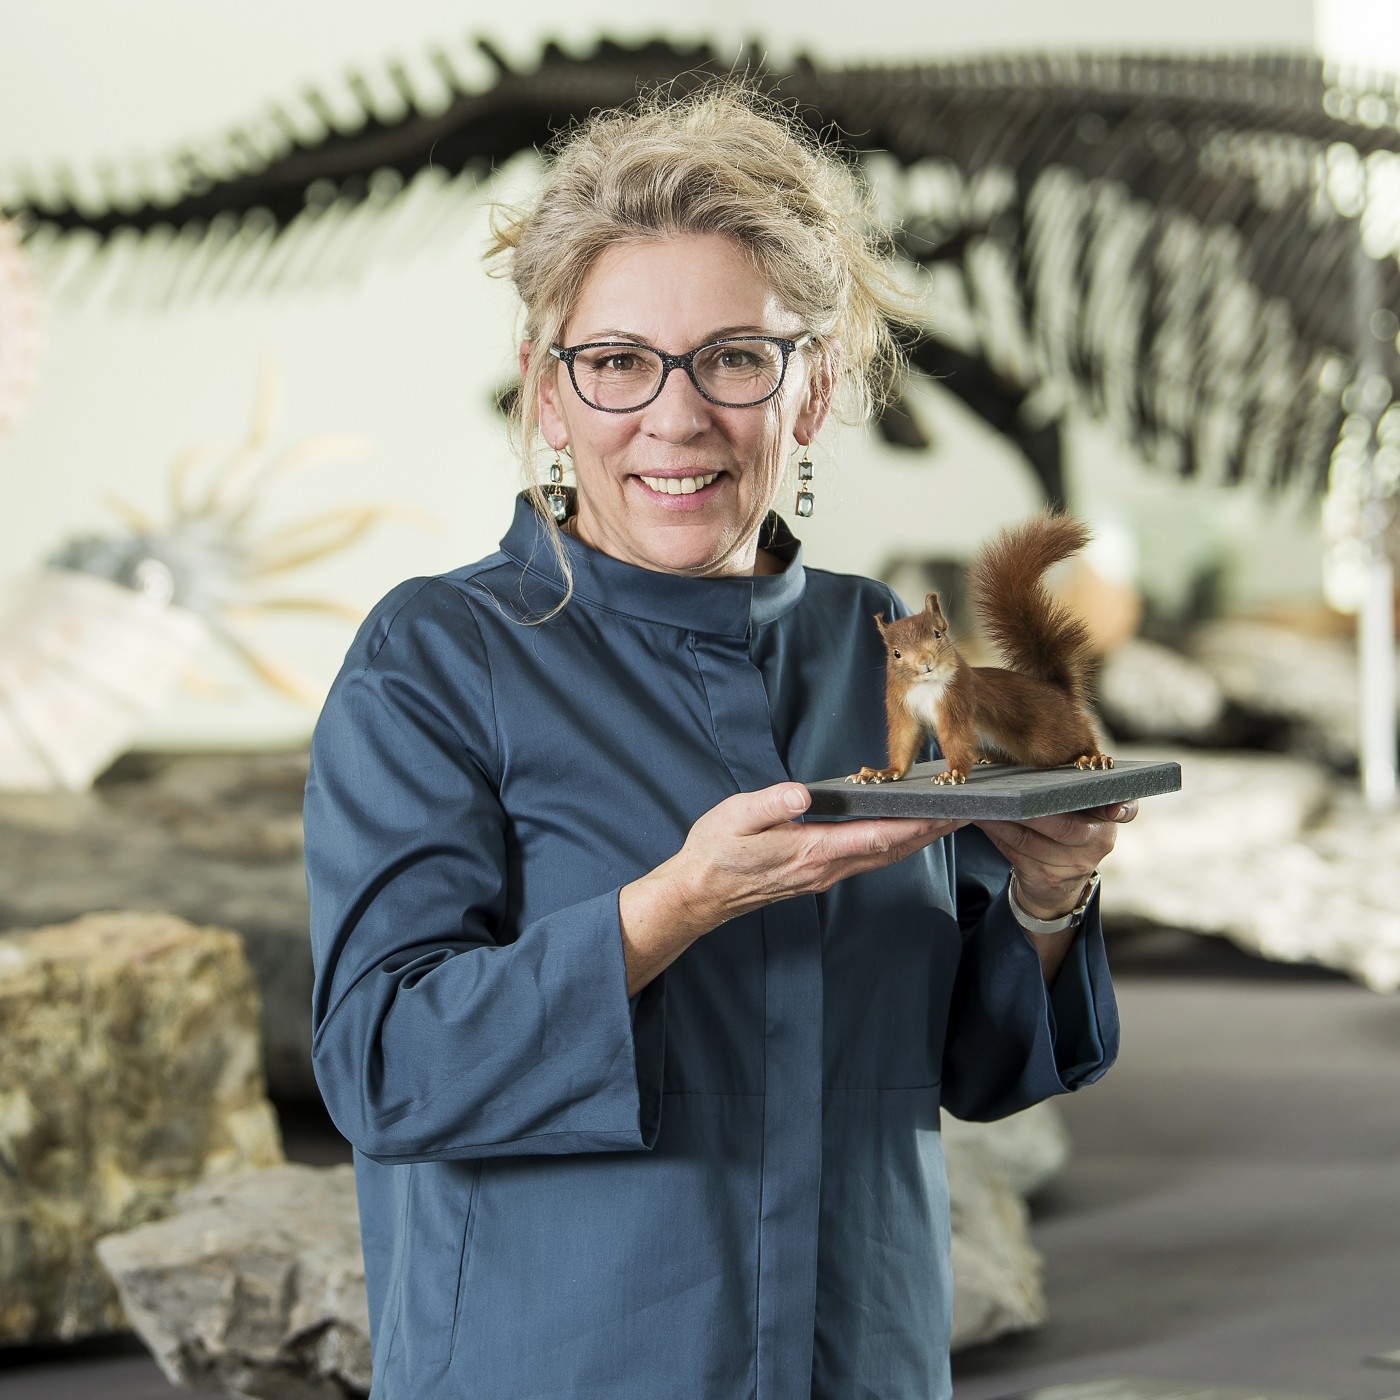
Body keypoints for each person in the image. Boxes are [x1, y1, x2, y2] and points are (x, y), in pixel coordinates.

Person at [304, 83, 1129, 1400]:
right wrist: (668, 911)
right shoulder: (434, 659)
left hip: (855, 1356)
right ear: (547, 391)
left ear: (812, 391)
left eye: (736, 358)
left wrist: (1045, 893)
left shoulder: (893, 650)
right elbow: (382, 1065)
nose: (676, 417)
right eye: (618, 361)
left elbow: (979, 1068)